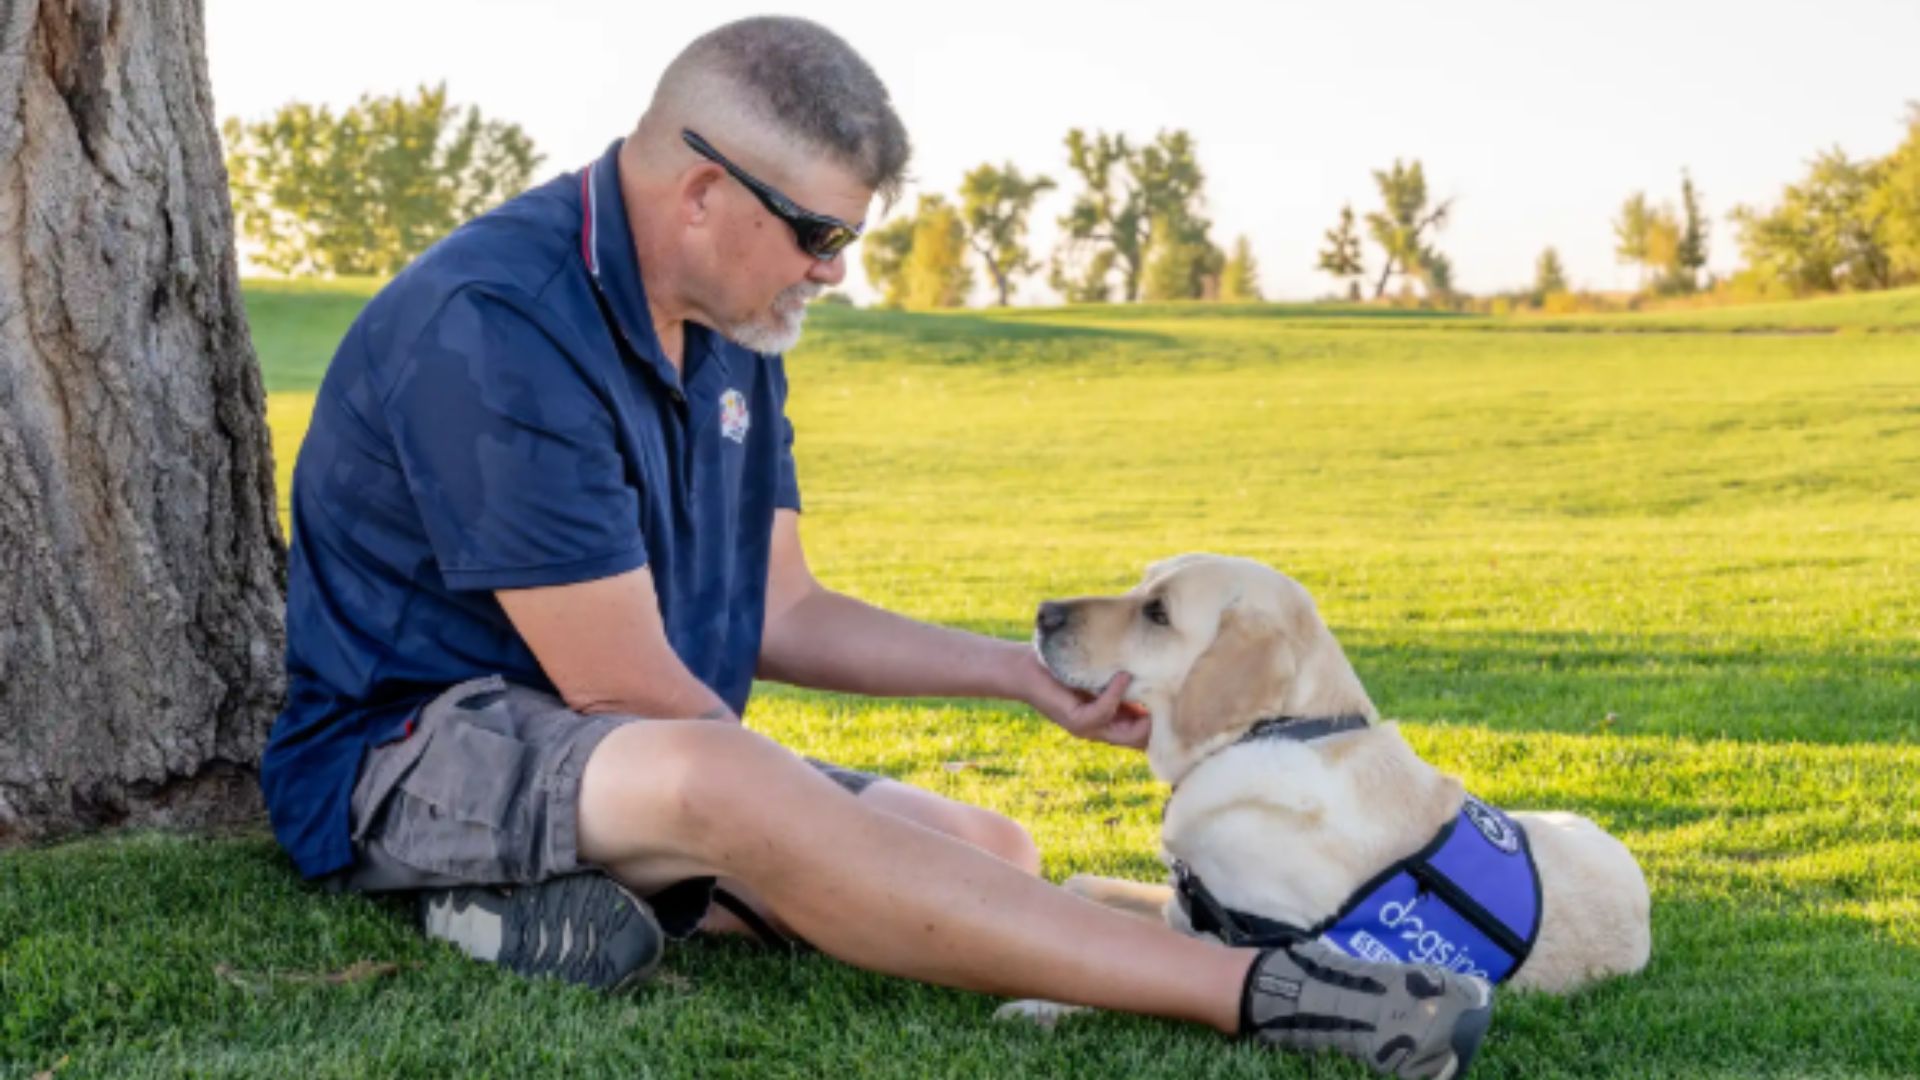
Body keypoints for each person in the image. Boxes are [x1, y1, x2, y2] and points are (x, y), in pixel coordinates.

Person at [260, 16, 1493, 1078]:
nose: (832, 273)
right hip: (415, 756)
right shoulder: (499, 330)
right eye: (816, 235)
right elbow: (626, 691)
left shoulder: (734, 327)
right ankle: (1259, 992)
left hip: (623, 756)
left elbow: (781, 611)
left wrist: (1023, 674)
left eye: (846, 240)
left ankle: (518, 909)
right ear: (704, 193)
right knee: (732, 783)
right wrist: (806, 831)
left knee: (988, 851)